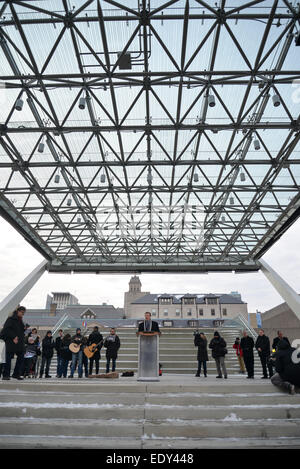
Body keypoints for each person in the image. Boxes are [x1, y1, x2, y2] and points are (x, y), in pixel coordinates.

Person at [0, 306, 26, 380]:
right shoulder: (11, 319)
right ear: (18, 311)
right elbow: (6, 330)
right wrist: (13, 336)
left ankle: (16, 374)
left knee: (21, 356)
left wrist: (24, 328)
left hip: (19, 343)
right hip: (11, 342)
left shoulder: (20, 320)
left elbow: (20, 331)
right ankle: (6, 375)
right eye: (22, 313)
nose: (22, 314)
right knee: (8, 358)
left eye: (23, 313)